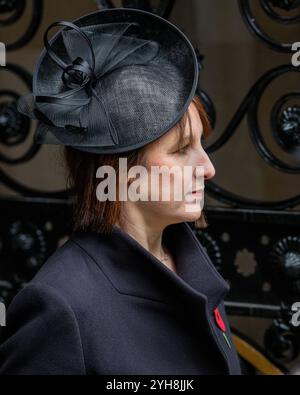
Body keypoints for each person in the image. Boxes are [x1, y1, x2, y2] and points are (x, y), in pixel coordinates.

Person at [0, 7, 242, 375]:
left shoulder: (192, 269)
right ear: (122, 171)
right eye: (181, 150)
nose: (207, 169)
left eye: (201, 146)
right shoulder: (60, 306)